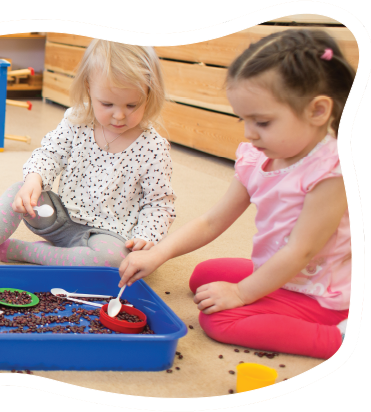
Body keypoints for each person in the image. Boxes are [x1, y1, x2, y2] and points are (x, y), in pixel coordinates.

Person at [118, 29, 354, 359]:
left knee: (219, 320)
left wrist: (241, 294)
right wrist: (159, 253)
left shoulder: (331, 172)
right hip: (282, 272)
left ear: (317, 112)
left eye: (263, 122)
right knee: (203, 276)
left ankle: (341, 339)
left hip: (321, 292)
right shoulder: (257, 157)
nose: (248, 133)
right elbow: (212, 221)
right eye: (243, 119)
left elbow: (300, 251)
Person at [0, 40, 175, 267]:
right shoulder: (77, 120)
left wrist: (146, 236)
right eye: (107, 104)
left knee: (113, 261)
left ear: (150, 93)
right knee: (16, 193)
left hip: (109, 235)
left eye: (131, 105)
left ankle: (27, 252)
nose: (119, 115)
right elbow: (50, 154)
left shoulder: (153, 147)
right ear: (88, 88)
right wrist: (34, 180)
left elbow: (159, 204)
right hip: (60, 217)